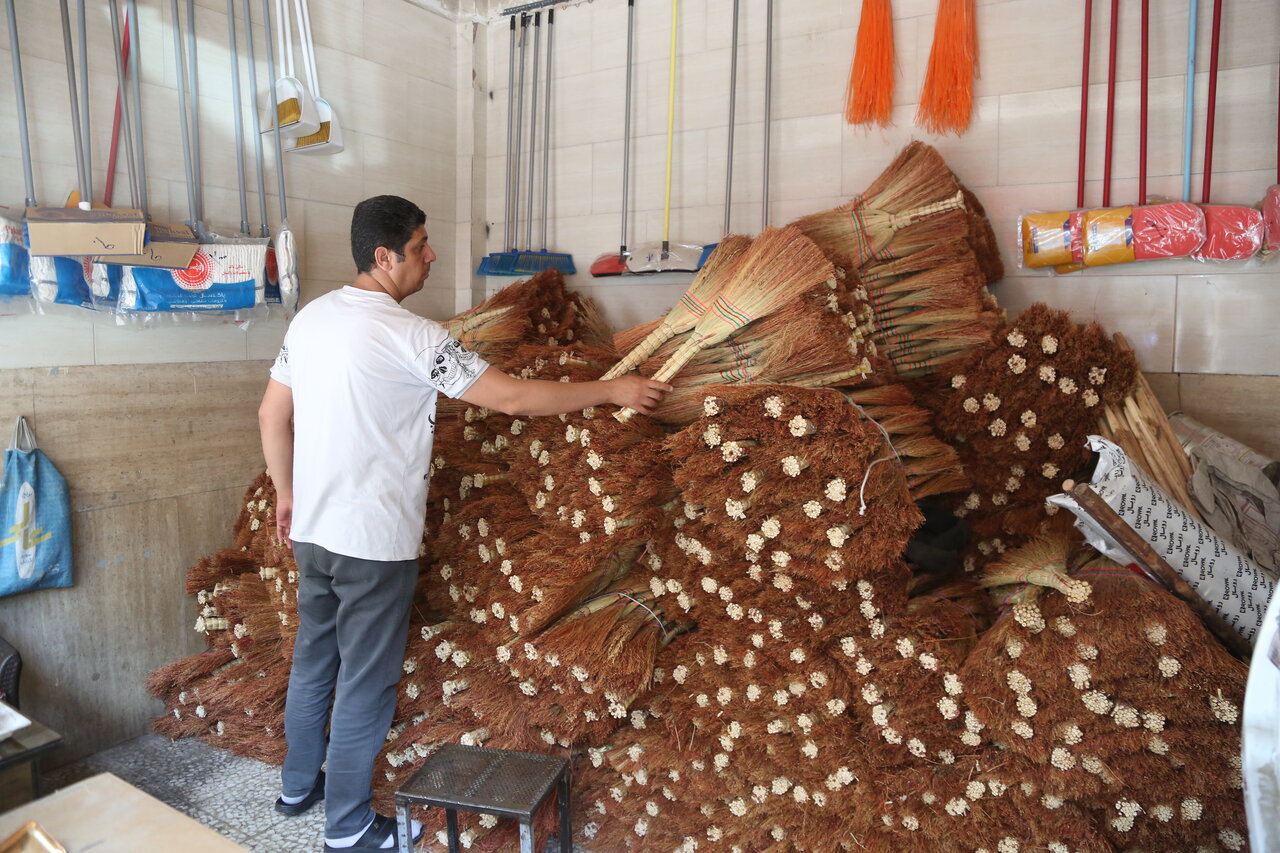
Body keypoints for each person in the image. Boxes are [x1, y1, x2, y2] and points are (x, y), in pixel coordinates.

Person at [257, 195, 670, 852]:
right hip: (371, 543)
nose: (432, 255)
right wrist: (612, 390)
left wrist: (285, 493)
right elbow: (509, 396)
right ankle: (349, 827)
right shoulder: (410, 335)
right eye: (422, 245)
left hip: (313, 530)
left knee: (315, 662)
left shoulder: (312, 319)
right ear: (385, 256)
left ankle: (296, 787)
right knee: (366, 681)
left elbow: (271, 414)